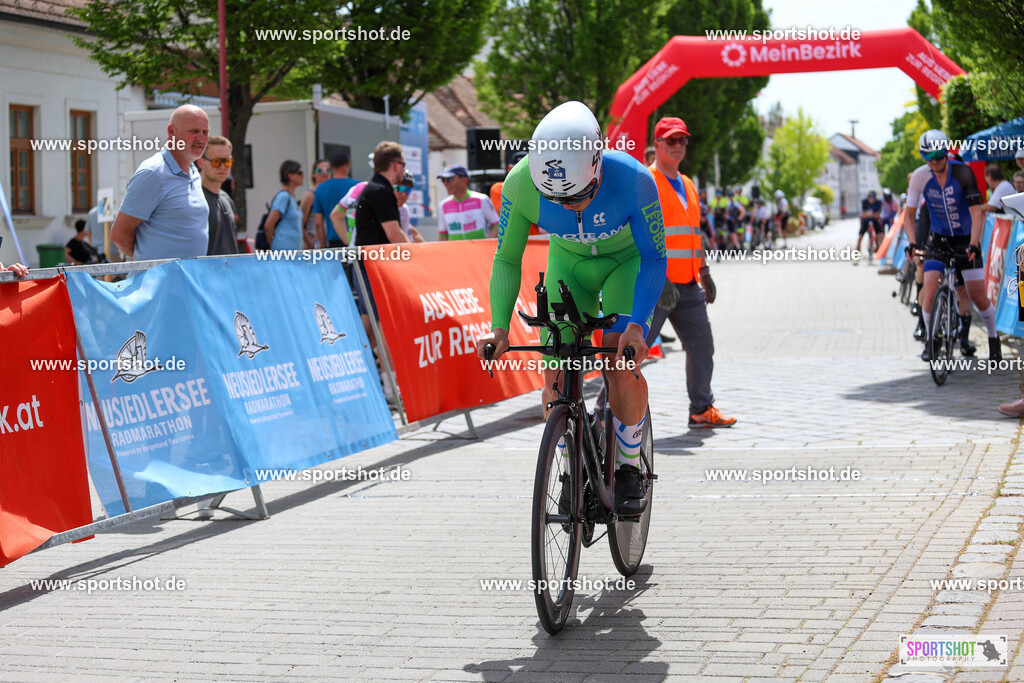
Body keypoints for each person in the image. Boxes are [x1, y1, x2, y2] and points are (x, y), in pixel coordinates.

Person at [474, 100, 666, 516]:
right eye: (556, 200)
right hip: (569, 268)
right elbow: (507, 258)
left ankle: (629, 466)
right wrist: (499, 327)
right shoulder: (519, 183)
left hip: (626, 264)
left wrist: (637, 326)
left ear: (597, 163)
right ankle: (569, 465)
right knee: (555, 371)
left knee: (619, 363)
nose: (569, 207)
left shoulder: (635, 180)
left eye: (580, 196)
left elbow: (654, 258)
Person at [646, 116, 735, 428]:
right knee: (632, 350)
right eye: (671, 140)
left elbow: (692, 233)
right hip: (656, 287)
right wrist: (660, 278)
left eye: (683, 140)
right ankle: (607, 415)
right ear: (656, 143)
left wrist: (704, 270)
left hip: (687, 285)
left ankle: (701, 409)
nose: (679, 146)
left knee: (702, 347)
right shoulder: (647, 182)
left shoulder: (688, 184)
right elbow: (639, 235)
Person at [904, 130, 1000, 362]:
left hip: (966, 239)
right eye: (928, 157)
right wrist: (913, 243)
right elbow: (909, 215)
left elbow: (977, 213)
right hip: (938, 239)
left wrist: (975, 244)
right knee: (928, 292)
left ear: (947, 152)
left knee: (977, 295)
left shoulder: (963, 172)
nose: (934, 161)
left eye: (939, 155)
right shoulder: (919, 177)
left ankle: (993, 338)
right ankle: (930, 340)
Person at [111, 104, 209, 260]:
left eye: (205, 132)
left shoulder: (193, 171)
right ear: (171, 131)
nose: (201, 139)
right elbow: (119, 235)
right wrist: (150, 265)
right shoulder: (153, 173)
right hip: (158, 282)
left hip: (188, 281)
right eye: (194, 131)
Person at [195, 134, 240, 256]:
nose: (223, 166)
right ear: (200, 163)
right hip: (205, 273)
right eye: (216, 162)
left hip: (230, 272)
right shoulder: (193, 198)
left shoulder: (225, 198)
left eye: (227, 162)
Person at [436, 164, 499, 240]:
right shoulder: (443, 205)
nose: (445, 183)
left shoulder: (482, 199)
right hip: (456, 251)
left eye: (449, 179)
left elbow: (497, 226)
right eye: (443, 180)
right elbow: (443, 236)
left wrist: (484, 246)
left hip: (479, 251)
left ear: (464, 180)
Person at [314, 150, 359, 248]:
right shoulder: (357, 187)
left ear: (330, 165)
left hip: (333, 244)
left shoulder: (320, 189)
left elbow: (318, 223)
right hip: (355, 242)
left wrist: (323, 245)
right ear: (348, 164)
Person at [263, 160, 304, 251]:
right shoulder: (283, 197)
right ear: (290, 176)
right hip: (283, 252)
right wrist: (275, 244)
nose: (303, 176)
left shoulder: (291, 197)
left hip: (294, 253)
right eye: (300, 173)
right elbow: (268, 225)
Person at [301, 159, 329, 249]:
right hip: (315, 244)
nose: (325, 173)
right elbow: (299, 223)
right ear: (314, 174)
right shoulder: (310, 195)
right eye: (320, 170)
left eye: (328, 170)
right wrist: (309, 241)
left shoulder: (330, 194)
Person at [856, 190, 882, 262]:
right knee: (860, 238)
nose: (872, 200)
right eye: (870, 198)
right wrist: (870, 214)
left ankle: (881, 255)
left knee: (880, 236)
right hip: (865, 221)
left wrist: (871, 214)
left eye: (873, 198)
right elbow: (863, 214)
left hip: (874, 220)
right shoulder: (864, 202)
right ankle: (856, 257)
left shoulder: (878, 202)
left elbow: (878, 215)